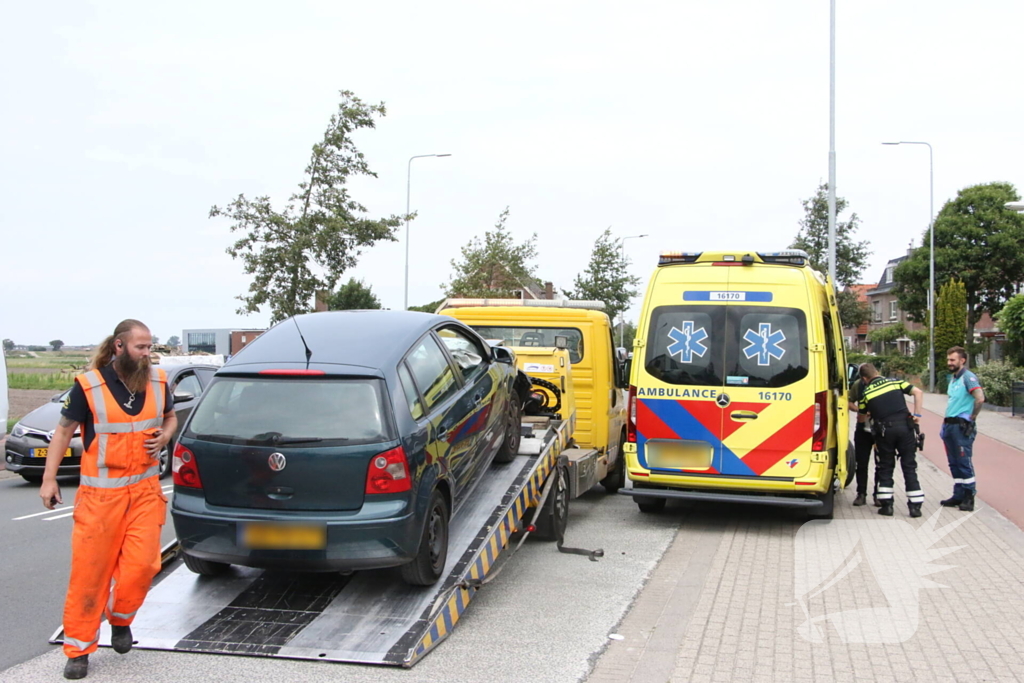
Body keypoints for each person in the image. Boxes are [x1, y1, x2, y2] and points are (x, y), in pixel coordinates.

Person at [39, 320, 176, 680]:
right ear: (119, 346)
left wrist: (164, 436)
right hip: (101, 499)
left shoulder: (160, 381)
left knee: (143, 567)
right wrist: (49, 479)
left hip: (145, 494)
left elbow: (171, 417)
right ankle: (79, 649)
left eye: (150, 347)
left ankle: (120, 619)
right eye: (141, 348)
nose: (148, 354)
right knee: (89, 576)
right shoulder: (88, 386)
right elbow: (64, 431)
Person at [857, 363, 925, 517]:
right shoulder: (895, 382)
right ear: (877, 372)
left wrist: (867, 415)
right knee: (909, 466)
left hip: (884, 432)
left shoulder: (866, 392)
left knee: (886, 466)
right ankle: (915, 507)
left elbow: (861, 417)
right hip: (905, 428)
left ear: (864, 378)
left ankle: (887, 506)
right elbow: (918, 392)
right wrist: (917, 415)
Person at [940, 346, 985, 512]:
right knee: (953, 462)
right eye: (948, 360)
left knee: (963, 461)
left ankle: (969, 496)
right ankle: (958, 494)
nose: (949, 363)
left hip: (961, 426)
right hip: (950, 425)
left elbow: (979, 399)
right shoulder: (954, 378)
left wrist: (972, 417)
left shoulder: (968, 377)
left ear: (962, 360)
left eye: (952, 360)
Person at [848, 371, 878, 507]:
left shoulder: (884, 384)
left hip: (880, 431)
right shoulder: (858, 385)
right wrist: (860, 411)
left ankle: (879, 495)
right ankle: (861, 494)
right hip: (863, 429)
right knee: (861, 463)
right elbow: (849, 402)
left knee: (882, 464)